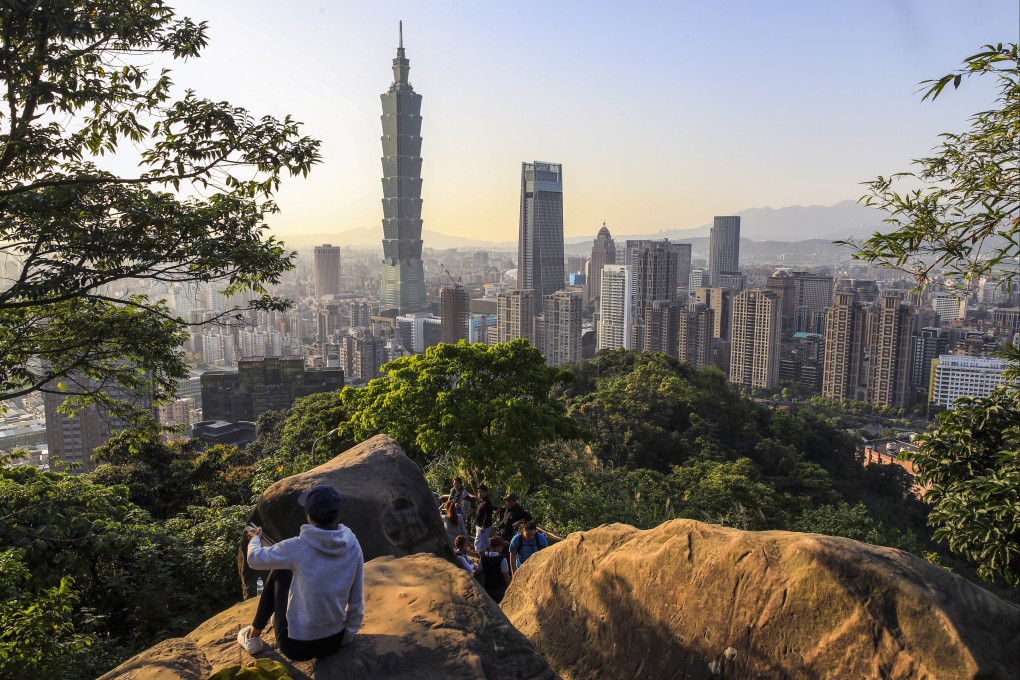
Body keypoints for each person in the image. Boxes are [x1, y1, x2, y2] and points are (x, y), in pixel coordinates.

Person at [236, 485, 364, 661]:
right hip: (333, 641)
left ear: (308, 517)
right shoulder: (353, 543)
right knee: (288, 569)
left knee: (280, 571)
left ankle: (253, 637)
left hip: (296, 647)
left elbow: (254, 559)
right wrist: (346, 636)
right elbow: (357, 600)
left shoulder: (297, 546)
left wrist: (255, 538)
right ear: (336, 514)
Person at [480, 536, 512, 603]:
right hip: (499, 589)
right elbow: (506, 576)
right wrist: (511, 587)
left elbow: (479, 570)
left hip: (486, 588)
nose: (503, 547)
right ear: (497, 547)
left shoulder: (483, 558)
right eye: (502, 546)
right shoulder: (502, 559)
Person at [473, 484, 494, 552]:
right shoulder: (481, 501)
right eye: (478, 492)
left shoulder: (487, 503)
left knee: (481, 543)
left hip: (484, 527)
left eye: (481, 492)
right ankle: (483, 556)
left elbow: (488, 515)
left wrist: (483, 526)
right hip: (479, 525)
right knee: (482, 542)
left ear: (485, 493)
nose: (479, 493)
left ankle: (484, 557)